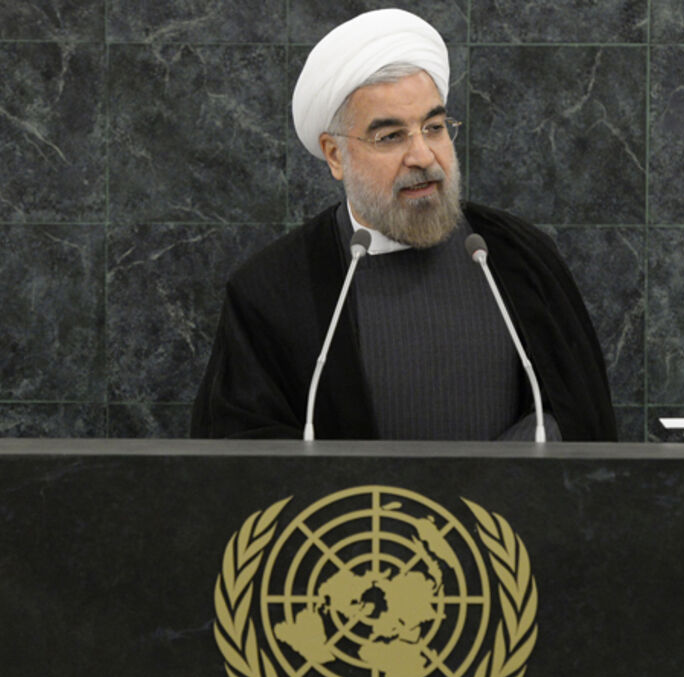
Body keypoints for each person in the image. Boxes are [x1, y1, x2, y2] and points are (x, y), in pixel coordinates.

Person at [191, 8, 616, 441]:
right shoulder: (272, 290)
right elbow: (239, 461)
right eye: (391, 136)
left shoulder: (519, 257)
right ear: (335, 155)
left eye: (433, 127)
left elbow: (580, 415)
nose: (424, 156)